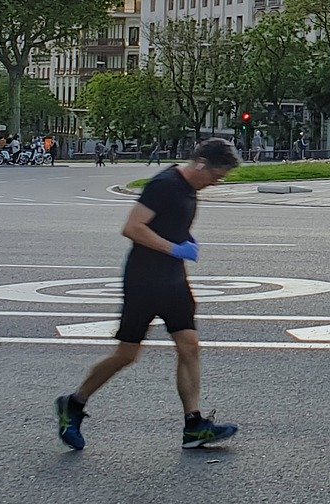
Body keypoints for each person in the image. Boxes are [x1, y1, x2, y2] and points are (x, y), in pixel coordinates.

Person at [56, 138, 243, 451]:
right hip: (144, 280)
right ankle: (73, 404)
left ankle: (194, 425)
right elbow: (132, 228)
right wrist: (174, 248)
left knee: (189, 345)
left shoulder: (189, 190)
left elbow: (169, 224)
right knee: (127, 355)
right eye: (215, 176)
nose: (215, 183)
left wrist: (186, 240)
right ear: (200, 164)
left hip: (173, 279)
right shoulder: (164, 185)